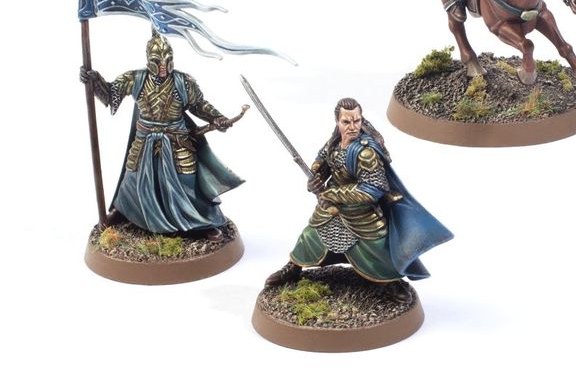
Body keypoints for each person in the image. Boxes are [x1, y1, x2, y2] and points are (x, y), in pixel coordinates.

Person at [265, 98, 453, 302]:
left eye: (357, 120)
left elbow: (372, 189)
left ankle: (391, 280)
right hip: (331, 210)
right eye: (346, 122)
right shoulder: (333, 143)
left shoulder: (366, 152)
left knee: (378, 248)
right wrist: (315, 178)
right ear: (337, 122)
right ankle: (294, 267)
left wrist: (330, 194)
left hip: (362, 212)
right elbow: (323, 162)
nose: (353, 126)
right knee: (309, 235)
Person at [80, 32, 244, 241]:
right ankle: (123, 212)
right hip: (145, 140)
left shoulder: (183, 81)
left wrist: (217, 118)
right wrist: (94, 81)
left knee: (187, 182)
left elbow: (198, 105)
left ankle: (200, 222)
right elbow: (110, 95)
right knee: (132, 178)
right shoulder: (135, 79)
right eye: (158, 61)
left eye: (167, 61)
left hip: (177, 140)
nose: (164, 66)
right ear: (150, 60)